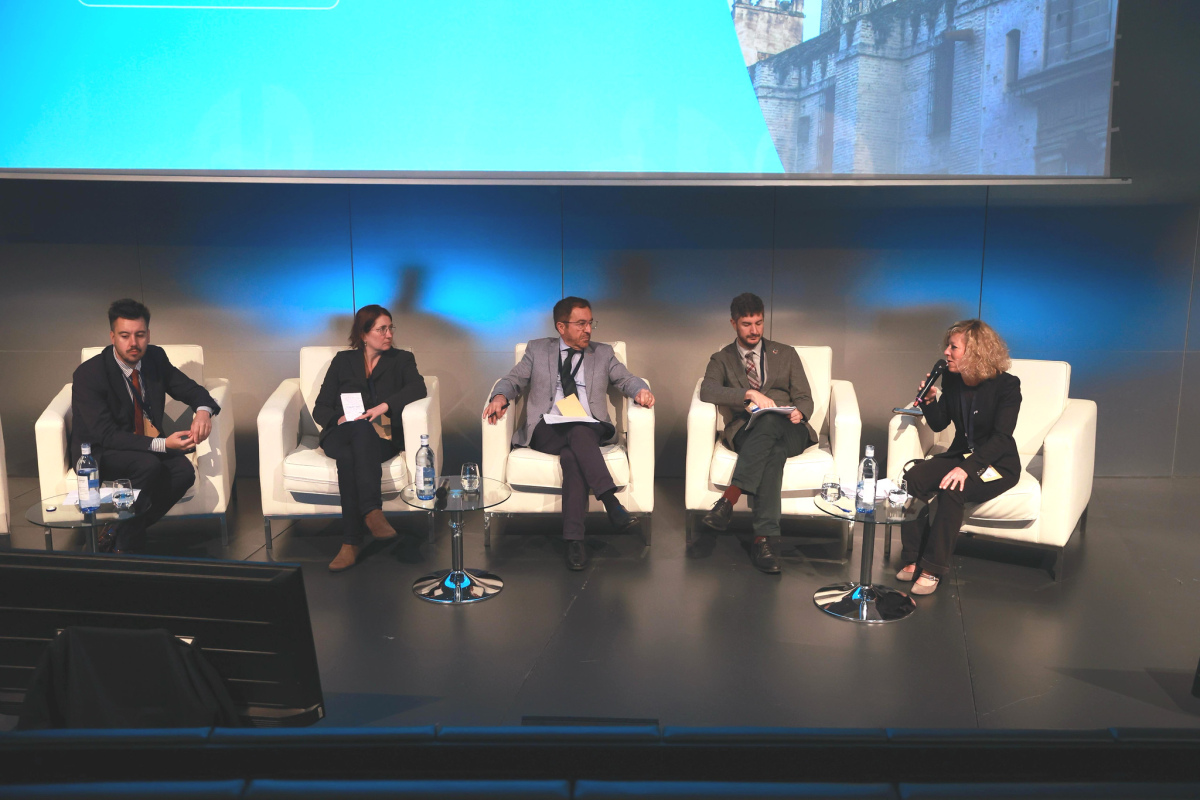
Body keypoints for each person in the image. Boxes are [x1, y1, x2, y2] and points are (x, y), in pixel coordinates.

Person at [483, 297, 654, 571]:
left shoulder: (603, 353)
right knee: (575, 438)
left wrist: (640, 390)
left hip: (590, 426)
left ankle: (575, 540)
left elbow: (626, 378)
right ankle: (610, 503)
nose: (588, 330)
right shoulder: (538, 350)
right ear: (561, 327)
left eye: (590, 323)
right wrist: (500, 396)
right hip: (547, 429)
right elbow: (513, 379)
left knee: (575, 447)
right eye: (581, 324)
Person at [70, 299, 220, 553]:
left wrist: (203, 413)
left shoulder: (155, 358)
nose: (133, 343)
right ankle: (124, 547)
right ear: (112, 337)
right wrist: (163, 444)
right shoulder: (90, 373)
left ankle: (117, 530)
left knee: (183, 471)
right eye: (125, 336)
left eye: (139, 335)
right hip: (100, 451)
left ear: (148, 335)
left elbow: (191, 390)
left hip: (143, 445)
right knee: (147, 464)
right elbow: (107, 435)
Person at [897, 319, 1022, 596]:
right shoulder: (953, 379)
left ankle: (932, 567)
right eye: (947, 346)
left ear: (975, 351)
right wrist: (929, 401)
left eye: (953, 347)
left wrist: (967, 468)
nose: (946, 352)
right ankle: (913, 556)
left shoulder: (1007, 386)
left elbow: (1002, 438)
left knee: (954, 488)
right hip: (961, 454)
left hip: (996, 463)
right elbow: (940, 423)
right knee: (914, 477)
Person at [697, 293, 816, 574]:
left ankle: (729, 500)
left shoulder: (785, 353)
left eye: (759, 323)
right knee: (772, 452)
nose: (754, 330)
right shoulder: (722, 358)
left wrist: (800, 412)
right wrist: (749, 394)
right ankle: (764, 540)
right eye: (747, 324)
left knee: (772, 420)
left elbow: (805, 398)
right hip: (747, 430)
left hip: (790, 429)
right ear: (733, 323)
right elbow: (707, 390)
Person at [314, 304, 428, 572]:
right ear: (363, 334)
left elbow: (418, 388)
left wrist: (383, 407)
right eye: (381, 329)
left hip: (381, 438)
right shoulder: (343, 361)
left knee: (349, 456)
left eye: (390, 328)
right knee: (357, 430)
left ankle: (351, 542)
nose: (389, 334)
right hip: (340, 434)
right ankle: (372, 512)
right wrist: (339, 419)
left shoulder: (401, 359)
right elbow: (321, 407)